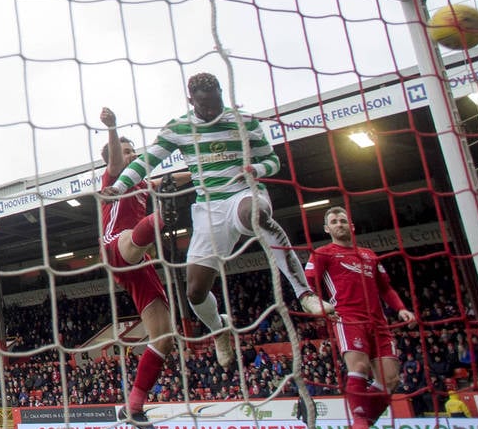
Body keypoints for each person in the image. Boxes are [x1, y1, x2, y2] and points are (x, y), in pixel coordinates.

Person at [101, 73, 334, 369]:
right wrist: (119, 188)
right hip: (209, 210)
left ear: (222, 94)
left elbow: (273, 161)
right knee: (195, 292)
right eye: (205, 106)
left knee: (255, 215)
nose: (212, 111)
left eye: (216, 103)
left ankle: (305, 294)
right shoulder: (180, 128)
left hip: (243, 194)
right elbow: (145, 162)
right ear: (191, 101)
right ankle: (218, 331)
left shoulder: (244, 121)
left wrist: (256, 168)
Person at [99, 107, 190, 429]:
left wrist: (203, 170)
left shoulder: (143, 183)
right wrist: (113, 127)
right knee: (131, 239)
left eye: (134, 151)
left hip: (140, 263)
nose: (132, 155)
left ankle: (134, 407)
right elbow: (114, 162)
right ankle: (162, 218)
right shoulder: (113, 179)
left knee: (164, 338)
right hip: (116, 247)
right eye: (126, 152)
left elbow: (177, 177)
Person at [305, 206, 415, 429]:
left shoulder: (369, 255)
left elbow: (386, 289)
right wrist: (319, 305)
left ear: (351, 226)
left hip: (379, 322)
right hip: (348, 318)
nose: (339, 224)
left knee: (390, 381)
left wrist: (401, 309)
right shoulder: (323, 254)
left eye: (343, 220)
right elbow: (309, 282)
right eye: (334, 221)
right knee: (360, 368)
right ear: (327, 229)